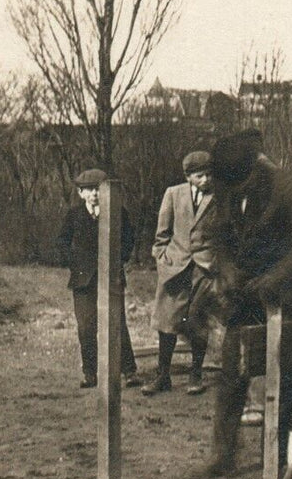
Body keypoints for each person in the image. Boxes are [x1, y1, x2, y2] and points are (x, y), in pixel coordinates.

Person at [202, 129, 292, 477]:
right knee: (233, 367)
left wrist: (276, 277)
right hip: (246, 291)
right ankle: (223, 453)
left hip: (291, 292)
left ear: (253, 172)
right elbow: (218, 232)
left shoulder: (287, 186)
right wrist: (228, 267)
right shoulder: (227, 183)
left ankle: (280, 457)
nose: (232, 195)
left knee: (289, 375)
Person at [55, 168, 140, 389]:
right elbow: (62, 241)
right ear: (81, 193)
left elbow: (129, 239)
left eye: (98, 190)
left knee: (117, 322)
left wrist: (118, 259)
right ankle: (90, 373)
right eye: (89, 190)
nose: (94, 194)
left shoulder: (117, 212)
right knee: (86, 326)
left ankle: (129, 371)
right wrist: (74, 262)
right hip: (83, 281)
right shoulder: (74, 214)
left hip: (111, 277)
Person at [146, 151, 221, 396]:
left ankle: (195, 374)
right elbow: (161, 234)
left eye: (210, 174)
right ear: (188, 176)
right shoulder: (173, 194)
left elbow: (226, 234)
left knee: (198, 322)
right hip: (174, 268)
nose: (206, 180)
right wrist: (162, 259)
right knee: (167, 322)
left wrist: (216, 262)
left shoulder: (220, 197)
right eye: (200, 175)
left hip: (204, 270)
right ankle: (162, 375)